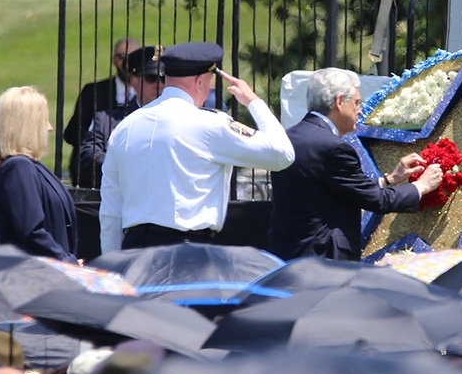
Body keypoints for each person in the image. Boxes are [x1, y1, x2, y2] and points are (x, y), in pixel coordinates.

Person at [99, 41, 296, 251]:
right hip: (188, 253)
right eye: (210, 81)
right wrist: (254, 102)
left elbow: (110, 212)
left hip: (133, 253)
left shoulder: (125, 128)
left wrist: (113, 267)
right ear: (200, 81)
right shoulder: (211, 124)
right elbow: (282, 154)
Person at [267, 68, 443, 262]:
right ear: (339, 102)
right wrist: (422, 186)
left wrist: (389, 179)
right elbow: (378, 201)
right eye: (357, 103)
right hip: (323, 262)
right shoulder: (332, 147)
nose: (360, 110)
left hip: (286, 255)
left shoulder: (288, 136)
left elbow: (329, 189)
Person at [0, 86, 78, 262]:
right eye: (43, 120)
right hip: (35, 278)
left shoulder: (26, 166)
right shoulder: (18, 168)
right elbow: (30, 231)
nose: (50, 128)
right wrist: (66, 261)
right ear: (27, 126)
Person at [77, 45, 164, 188]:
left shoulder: (185, 120)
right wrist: (128, 168)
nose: (160, 85)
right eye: (151, 78)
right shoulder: (107, 119)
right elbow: (88, 157)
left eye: (165, 79)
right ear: (134, 81)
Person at [64, 37, 140, 186]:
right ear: (113, 60)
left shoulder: (148, 93)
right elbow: (71, 134)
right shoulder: (94, 92)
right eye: (123, 57)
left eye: (134, 57)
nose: (127, 63)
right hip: (94, 176)